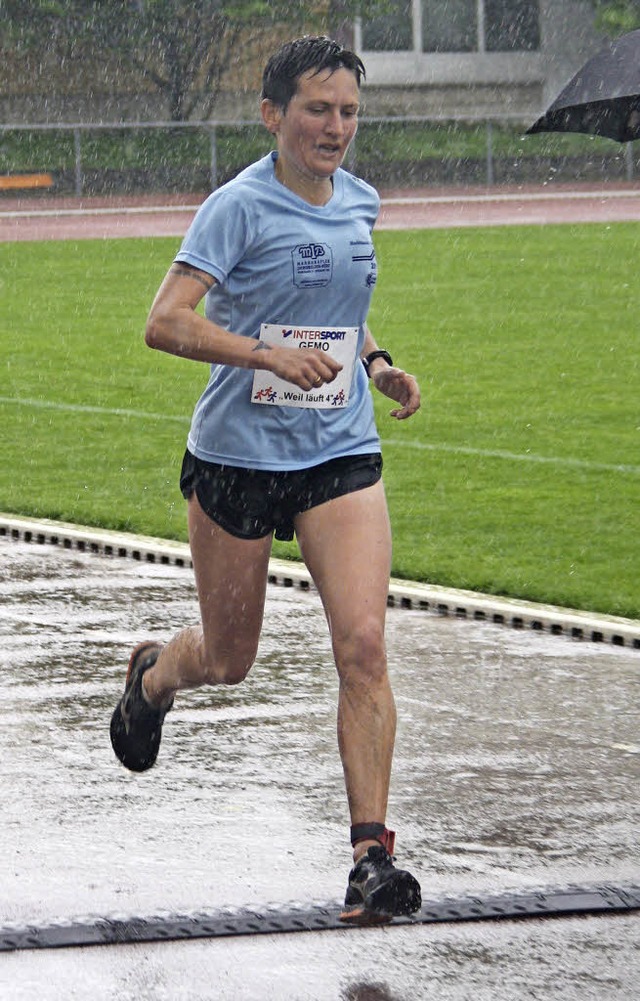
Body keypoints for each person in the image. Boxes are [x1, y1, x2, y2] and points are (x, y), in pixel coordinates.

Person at [110, 34, 421, 924]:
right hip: (239, 457)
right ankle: (153, 679)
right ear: (272, 114)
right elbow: (165, 322)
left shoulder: (360, 200)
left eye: (349, 112)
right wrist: (264, 356)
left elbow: (340, 317)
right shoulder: (236, 207)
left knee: (362, 646)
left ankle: (370, 857)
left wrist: (379, 359)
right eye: (317, 110)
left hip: (339, 453)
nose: (335, 128)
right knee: (230, 657)